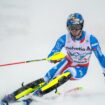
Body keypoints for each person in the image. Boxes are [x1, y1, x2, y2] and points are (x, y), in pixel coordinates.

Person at [1, 13, 105, 105]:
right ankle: (12, 96)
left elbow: (100, 56)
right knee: (45, 79)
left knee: (69, 72)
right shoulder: (64, 38)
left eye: (77, 27)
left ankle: (37, 95)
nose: (74, 30)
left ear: (81, 26)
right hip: (67, 62)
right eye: (71, 27)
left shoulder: (91, 39)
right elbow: (54, 52)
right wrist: (53, 58)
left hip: (81, 67)